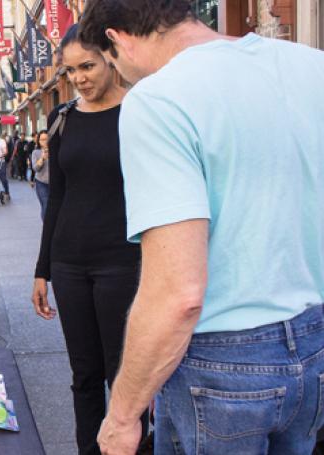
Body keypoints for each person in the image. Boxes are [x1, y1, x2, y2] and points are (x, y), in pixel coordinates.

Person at [78, 2, 324, 454]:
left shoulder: (159, 100)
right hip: (314, 340)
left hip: (220, 361)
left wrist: (123, 415)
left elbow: (178, 294)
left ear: (118, 39)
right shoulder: (311, 66)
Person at [30, 24, 146, 455]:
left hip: (124, 263)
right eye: (70, 70)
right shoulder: (61, 118)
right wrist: (42, 270)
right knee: (84, 377)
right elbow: (57, 197)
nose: (78, 78)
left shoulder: (141, 112)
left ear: (110, 59)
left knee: (125, 378)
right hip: (69, 265)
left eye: (88, 66)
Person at [30, 130, 50, 219]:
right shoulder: (36, 152)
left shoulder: (56, 150)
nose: (45, 141)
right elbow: (35, 168)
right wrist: (42, 158)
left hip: (55, 183)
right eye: (42, 140)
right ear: (38, 141)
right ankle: (46, 225)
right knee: (46, 204)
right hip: (41, 183)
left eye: (46, 139)